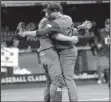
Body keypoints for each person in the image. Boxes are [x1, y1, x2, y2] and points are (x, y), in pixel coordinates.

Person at [17, 12, 79, 102]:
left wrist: (79, 28)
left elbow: (62, 30)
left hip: (44, 54)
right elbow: (41, 32)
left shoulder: (44, 22)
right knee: (57, 81)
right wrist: (25, 33)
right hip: (50, 53)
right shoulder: (47, 21)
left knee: (49, 82)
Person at [96, 18, 110, 86]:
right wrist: (99, 44)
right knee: (100, 65)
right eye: (107, 24)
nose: (108, 25)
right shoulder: (101, 32)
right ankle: (100, 78)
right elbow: (99, 40)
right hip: (104, 51)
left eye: (109, 24)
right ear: (105, 24)